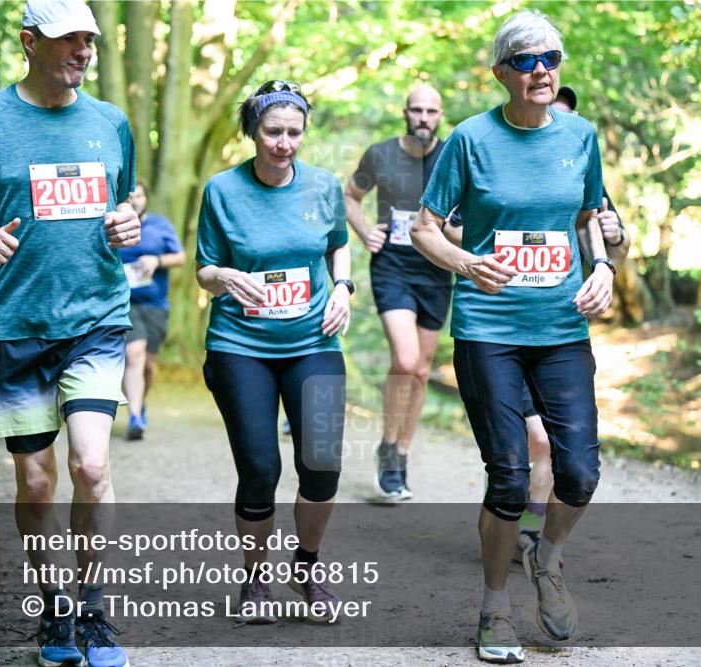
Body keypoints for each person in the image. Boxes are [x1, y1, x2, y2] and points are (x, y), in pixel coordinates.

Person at [0, 2, 138, 665]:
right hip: (12, 328)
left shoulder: (110, 122)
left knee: (91, 465)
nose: (83, 50)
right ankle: (55, 608)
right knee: (37, 483)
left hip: (96, 317)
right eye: (69, 39)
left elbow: (130, 195)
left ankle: (94, 610)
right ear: (29, 42)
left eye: (89, 38)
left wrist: (129, 217)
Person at [411, 10, 614, 663]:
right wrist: (466, 262)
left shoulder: (581, 136)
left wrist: (604, 267)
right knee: (507, 478)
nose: (541, 70)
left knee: (579, 471)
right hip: (489, 327)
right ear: (501, 73)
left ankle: (547, 561)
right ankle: (494, 610)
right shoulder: (470, 139)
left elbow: (590, 215)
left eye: (550, 58)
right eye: (525, 60)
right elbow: (424, 227)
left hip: (560, 326)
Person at [196, 80, 353, 624]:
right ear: (253, 131)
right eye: (272, 132)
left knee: (323, 465)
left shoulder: (324, 186)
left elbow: (338, 245)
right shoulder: (222, 190)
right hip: (240, 345)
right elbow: (204, 269)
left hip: (314, 341)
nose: (284, 143)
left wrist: (342, 288)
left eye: (294, 132)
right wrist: (224, 277)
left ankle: (305, 567)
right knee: (260, 468)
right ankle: (255, 578)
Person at [517, 84, 632, 555]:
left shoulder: (584, 174)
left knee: (551, 445)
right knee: (530, 442)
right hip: (502, 326)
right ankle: (508, 513)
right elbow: (453, 228)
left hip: (561, 329)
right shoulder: (505, 167)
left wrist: (616, 236)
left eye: (562, 116)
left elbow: (616, 251)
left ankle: (528, 531)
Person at [346, 84, 457, 501]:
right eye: (417, 110)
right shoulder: (380, 154)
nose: (423, 117)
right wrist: (364, 231)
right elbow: (351, 196)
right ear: (405, 112)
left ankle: (400, 454)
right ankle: (387, 443)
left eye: (431, 111)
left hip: (436, 271)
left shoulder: (451, 156)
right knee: (406, 360)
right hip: (392, 268)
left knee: (422, 370)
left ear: (440, 115)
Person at [118, 181, 185, 440]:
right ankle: (135, 418)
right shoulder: (114, 226)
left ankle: (141, 403)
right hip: (124, 304)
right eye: (129, 197)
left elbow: (180, 257)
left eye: (139, 195)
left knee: (148, 363)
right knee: (133, 353)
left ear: (146, 198)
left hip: (156, 304)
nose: (134, 201)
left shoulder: (160, 226)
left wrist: (157, 260)